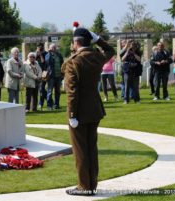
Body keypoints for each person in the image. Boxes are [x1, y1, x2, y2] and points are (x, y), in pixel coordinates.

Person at [62, 27, 115, 196]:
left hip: (79, 112)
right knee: (91, 148)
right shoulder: (96, 56)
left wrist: (72, 115)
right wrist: (97, 39)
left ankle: (84, 187)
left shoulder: (73, 62)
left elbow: (72, 91)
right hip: (95, 109)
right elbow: (110, 50)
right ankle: (92, 184)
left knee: (81, 151)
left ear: (76, 43)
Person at [45, 43, 64, 110]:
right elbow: (48, 61)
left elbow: (62, 64)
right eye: (52, 47)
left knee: (58, 92)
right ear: (50, 48)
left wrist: (62, 74)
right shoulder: (48, 55)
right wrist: (50, 53)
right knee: (50, 91)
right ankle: (49, 105)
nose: (54, 48)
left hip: (58, 76)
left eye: (55, 47)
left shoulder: (59, 55)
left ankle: (56, 105)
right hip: (51, 76)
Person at [36, 44, 48, 110]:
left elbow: (43, 62)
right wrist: (37, 53)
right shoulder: (36, 54)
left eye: (40, 48)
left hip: (44, 73)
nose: (39, 49)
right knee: (41, 89)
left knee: (41, 88)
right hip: (38, 73)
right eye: (38, 48)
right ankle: (50, 100)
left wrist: (40, 55)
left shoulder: (46, 53)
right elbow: (34, 60)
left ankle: (40, 103)